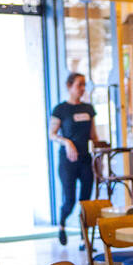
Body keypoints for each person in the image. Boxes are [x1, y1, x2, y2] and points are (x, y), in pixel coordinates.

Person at [48, 73, 98, 246]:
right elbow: (51, 135)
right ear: (69, 86)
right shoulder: (60, 109)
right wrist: (67, 142)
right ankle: (62, 225)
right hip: (68, 161)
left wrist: (100, 156)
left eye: (84, 85)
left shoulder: (88, 109)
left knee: (85, 201)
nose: (82, 88)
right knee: (69, 199)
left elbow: (93, 135)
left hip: (86, 159)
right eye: (79, 85)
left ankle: (84, 237)